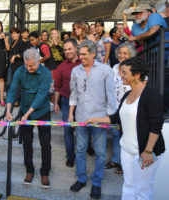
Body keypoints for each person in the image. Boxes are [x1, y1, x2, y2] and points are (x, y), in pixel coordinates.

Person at [86, 57, 165, 200]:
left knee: (143, 191)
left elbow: (156, 127)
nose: (121, 76)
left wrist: (148, 151)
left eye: (124, 73)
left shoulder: (152, 96)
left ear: (137, 75)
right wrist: (96, 119)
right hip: (127, 150)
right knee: (128, 185)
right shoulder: (128, 94)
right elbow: (116, 118)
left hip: (144, 151)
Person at [69, 40, 116, 199]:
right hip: (81, 117)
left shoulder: (106, 70)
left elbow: (111, 95)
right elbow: (73, 94)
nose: (80, 57)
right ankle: (81, 179)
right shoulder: (75, 71)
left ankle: (97, 183)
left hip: (99, 119)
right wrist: (70, 114)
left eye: (83, 54)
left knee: (100, 153)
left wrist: (109, 117)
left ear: (93, 53)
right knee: (80, 150)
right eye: (79, 54)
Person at [6, 49, 52, 189]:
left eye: (31, 65)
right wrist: (8, 111)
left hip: (42, 111)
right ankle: (29, 170)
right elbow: (13, 90)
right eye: (26, 65)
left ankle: (45, 172)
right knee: (27, 142)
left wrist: (27, 115)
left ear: (39, 61)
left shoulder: (46, 73)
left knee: (45, 143)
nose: (28, 68)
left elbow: (41, 95)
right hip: (25, 108)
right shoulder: (20, 71)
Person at [105, 43, 136, 175]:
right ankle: (115, 160)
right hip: (114, 107)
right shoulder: (114, 67)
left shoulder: (135, 68)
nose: (122, 55)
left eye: (125, 53)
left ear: (131, 55)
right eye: (120, 53)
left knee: (127, 136)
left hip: (128, 109)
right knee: (116, 134)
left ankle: (126, 164)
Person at [53, 39, 81, 167]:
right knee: (67, 130)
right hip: (66, 101)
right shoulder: (61, 67)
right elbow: (57, 86)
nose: (67, 52)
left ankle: (88, 147)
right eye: (65, 50)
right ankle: (70, 156)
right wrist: (56, 103)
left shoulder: (84, 63)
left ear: (76, 48)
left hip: (83, 103)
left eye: (70, 49)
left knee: (83, 129)